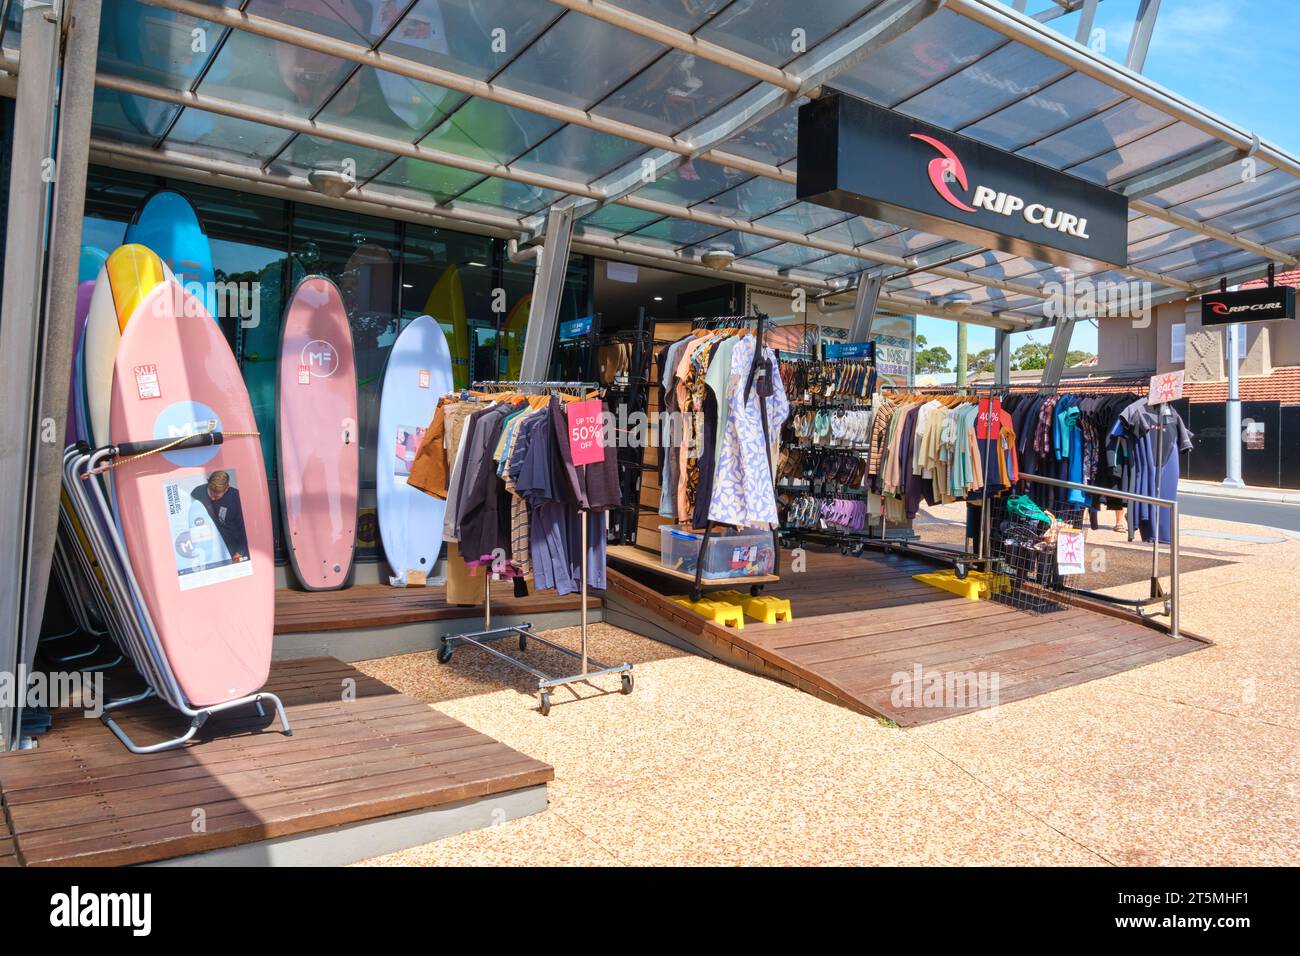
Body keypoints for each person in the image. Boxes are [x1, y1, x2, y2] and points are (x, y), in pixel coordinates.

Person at [191, 470, 249, 561]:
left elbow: (243, 527)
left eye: (216, 496)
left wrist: (240, 551)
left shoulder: (236, 498)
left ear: (227, 489)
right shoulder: (197, 492)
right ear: (208, 483)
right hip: (207, 544)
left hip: (232, 546)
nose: (212, 498)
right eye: (210, 493)